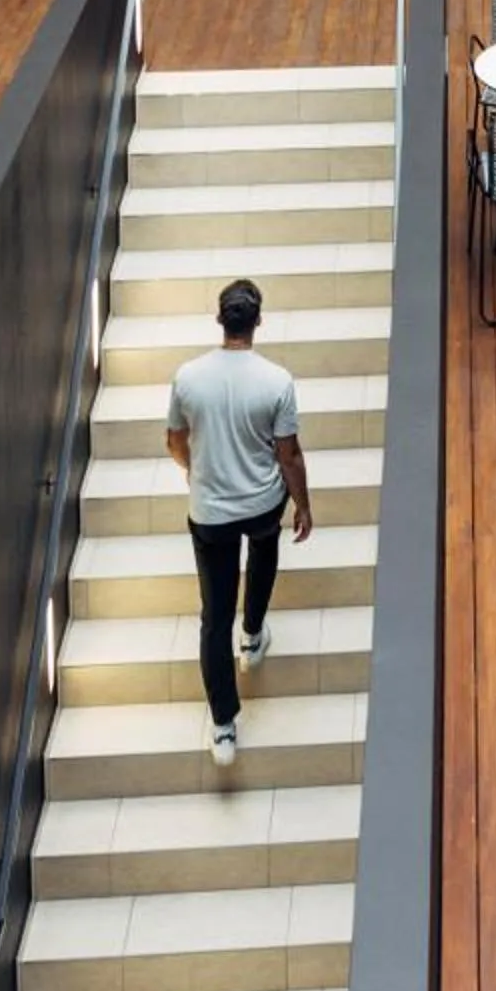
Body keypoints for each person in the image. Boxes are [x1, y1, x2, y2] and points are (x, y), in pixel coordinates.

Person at [164, 278, 313, 767]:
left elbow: (174, 440)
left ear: (219, 320)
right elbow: (288, 455)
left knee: (213, 615)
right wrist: (303, 504)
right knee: (265, 551)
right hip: (264, 502)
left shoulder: (188, 377)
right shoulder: (276, 381)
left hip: (210, 511)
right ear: (258, 322)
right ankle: (252, 634)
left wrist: (193, 469)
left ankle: (224, 725)